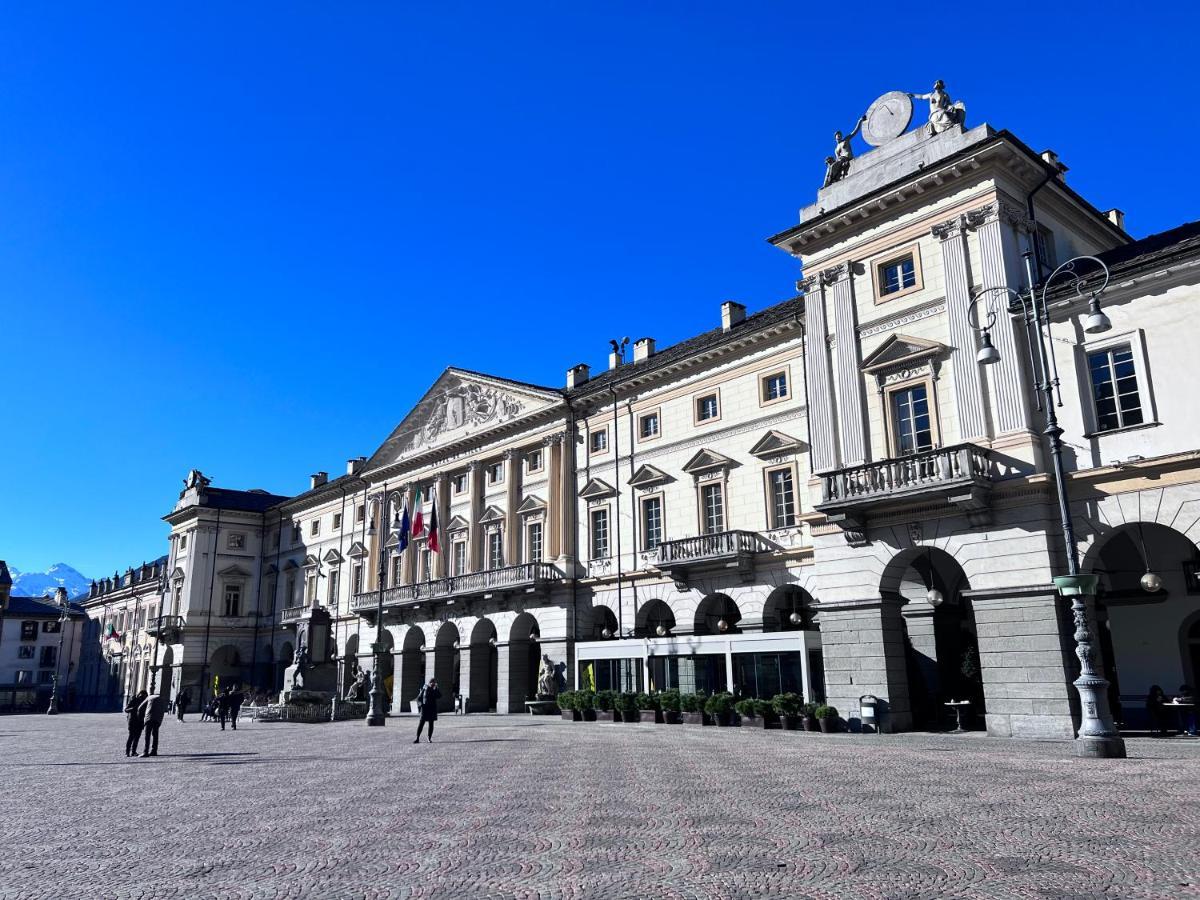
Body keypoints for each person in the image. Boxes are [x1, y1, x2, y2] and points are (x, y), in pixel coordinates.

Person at [414, 678, 442, 743]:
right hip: (424, 708)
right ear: (429, 683)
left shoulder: (435, 690)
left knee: (431, 724)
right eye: (432, 682)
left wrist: (437, 688)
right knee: (421, 724)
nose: (433, 684)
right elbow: (419, 698)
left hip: (432, 709)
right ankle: (417, 738)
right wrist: (421, 705)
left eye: (434, 683)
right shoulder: (425, 689)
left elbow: (439, 696)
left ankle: (429, 738)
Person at [138, 692, 165, 757]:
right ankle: (154, 750)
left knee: (147, 735)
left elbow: (140, 708)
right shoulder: (162, 699)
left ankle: (145, 751)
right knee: (155, 735)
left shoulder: (149, 697)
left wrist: (140, 718)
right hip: (158, 719)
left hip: (149, 718)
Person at [125, 690, 148, 757]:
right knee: (131, 737)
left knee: (137, 738)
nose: (142, 697)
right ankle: (127, 752)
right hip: (132, 721)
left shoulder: (145, 702)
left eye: (144, 696)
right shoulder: (134, 700)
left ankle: (133, 751)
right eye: (142, 696)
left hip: (140, 722)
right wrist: (133, 708)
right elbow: (126, 709)